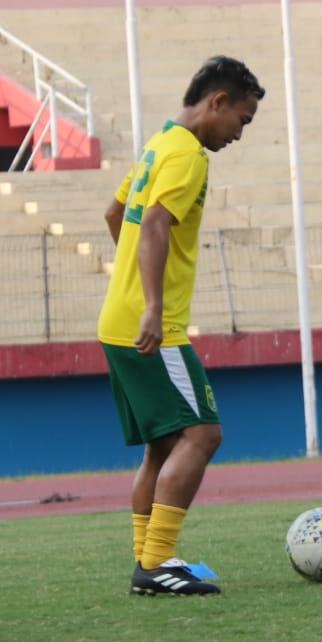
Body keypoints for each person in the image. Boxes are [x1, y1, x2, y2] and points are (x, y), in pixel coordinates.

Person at [98, 55, 264, 594]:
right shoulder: (188, 154)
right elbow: (156, 223)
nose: (239, 134)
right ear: (218, 102)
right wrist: (151, 303)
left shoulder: (158, 144)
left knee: (164, 445)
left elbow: (114, 213)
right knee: (203, 433)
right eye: (242, 119)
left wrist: (131, 288)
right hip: (155, 327)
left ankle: (149, 561)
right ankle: (158, 563)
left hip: (116, 322)